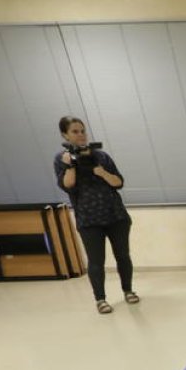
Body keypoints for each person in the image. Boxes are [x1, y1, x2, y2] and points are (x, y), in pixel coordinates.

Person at [54, 115, 137, 315]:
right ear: (65, 134)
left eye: (82, 130)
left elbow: (118, 182)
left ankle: (128, 290)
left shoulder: (101, 156)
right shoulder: (61, 159)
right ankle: (100, 299)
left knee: (123, 256)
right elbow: (68, 185)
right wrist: (70, 164)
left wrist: (103, 173)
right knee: (96, 261)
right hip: (89, 219)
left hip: (115, 215)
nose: (80, 135)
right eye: (75, 131)